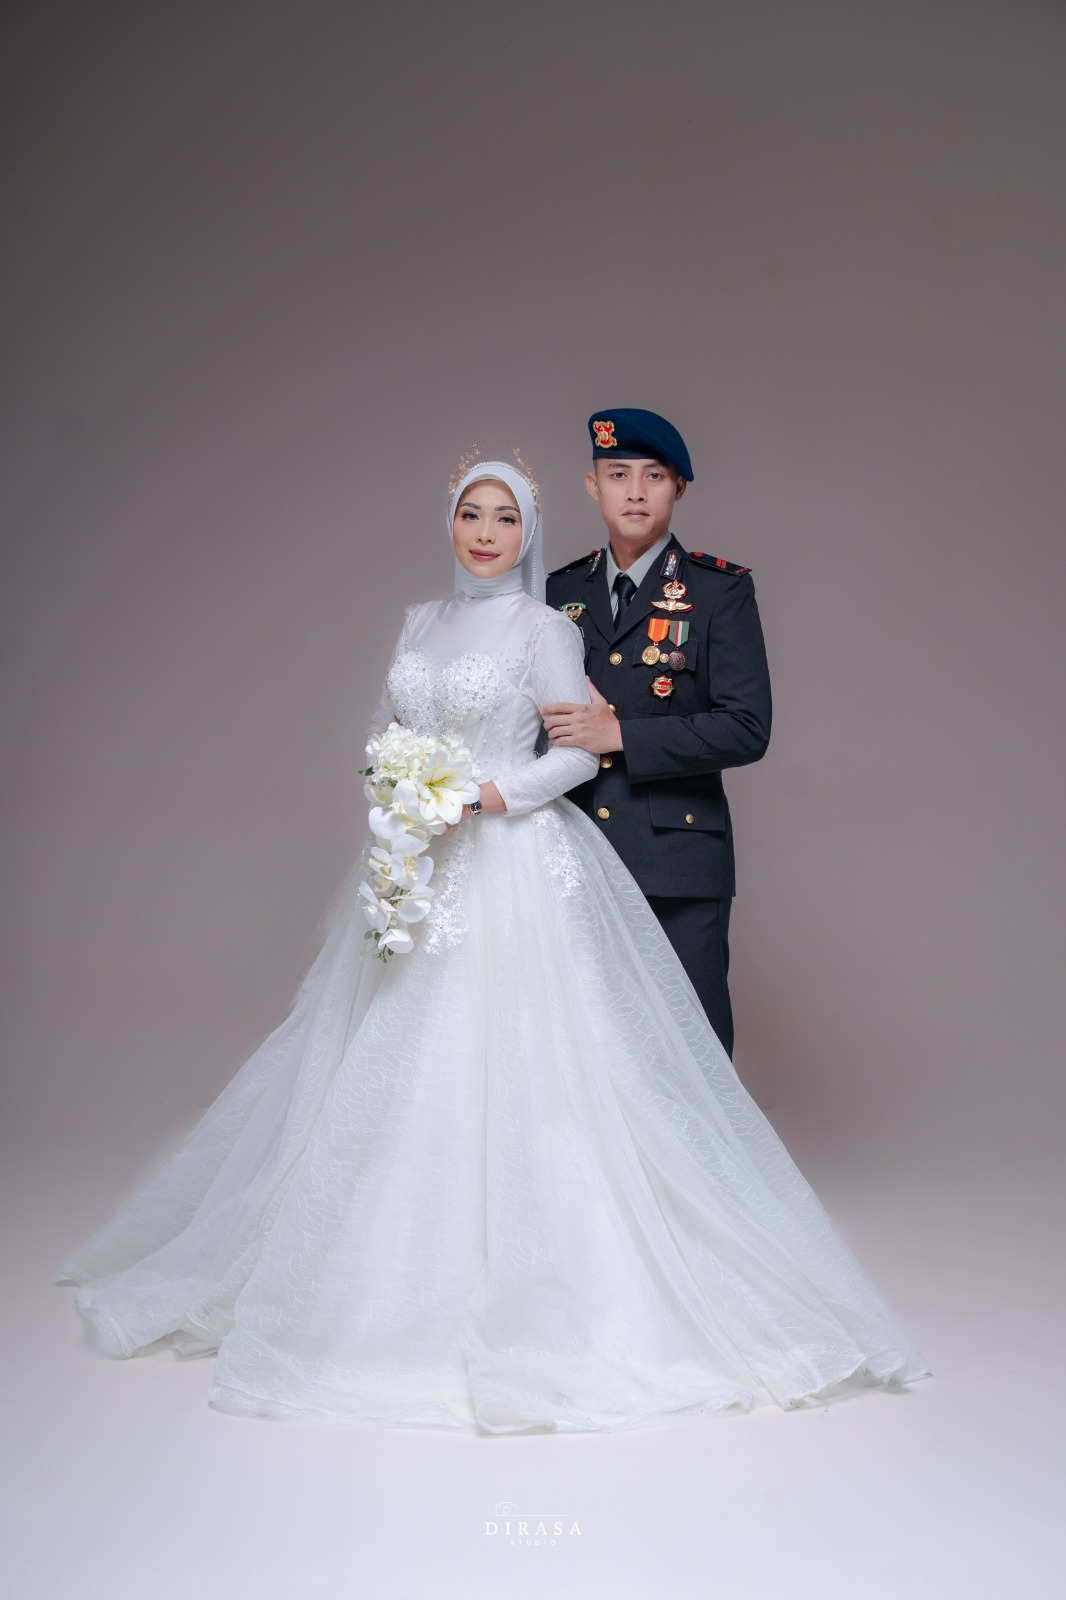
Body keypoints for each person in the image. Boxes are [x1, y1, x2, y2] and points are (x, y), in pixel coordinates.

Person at [55, 451, 929, 1434]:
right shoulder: (418, 621)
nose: (485, 534)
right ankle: (379, 1266)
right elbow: (385, 727)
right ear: (449, 520)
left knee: (539, 1062)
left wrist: (479, 797)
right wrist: (398, 789)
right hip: (420, 857)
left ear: (530, 530)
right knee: (388, 1052)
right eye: (471, 514)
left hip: (511, 859)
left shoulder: (544, 625)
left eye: (505, 519)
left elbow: (575, 753)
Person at [544, 409, 771, 1058]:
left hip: (677, 860)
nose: (636, 492)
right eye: (618, 475)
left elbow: (747, 727)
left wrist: (622, 734)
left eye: (654, 476)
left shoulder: (719, 591)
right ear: (593, 486)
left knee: (690, 1053)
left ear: (679, 489)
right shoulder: (559, 592)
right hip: (574, 855)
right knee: (584, 1052)